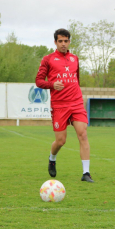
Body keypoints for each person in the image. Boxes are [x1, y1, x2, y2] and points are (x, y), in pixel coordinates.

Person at [35, 28, 94, 183]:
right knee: (61, 141)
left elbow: (77, 79)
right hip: (59, 105)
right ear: (55, 42)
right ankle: (52, 158)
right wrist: (53, 85)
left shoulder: (75, 58)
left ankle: (86, 173)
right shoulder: (48, 59)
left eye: (66, 41)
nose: (63, 44)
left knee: (83, 134)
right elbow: (39, 81)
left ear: (69, 41)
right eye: (60, 41)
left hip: (76, 103)